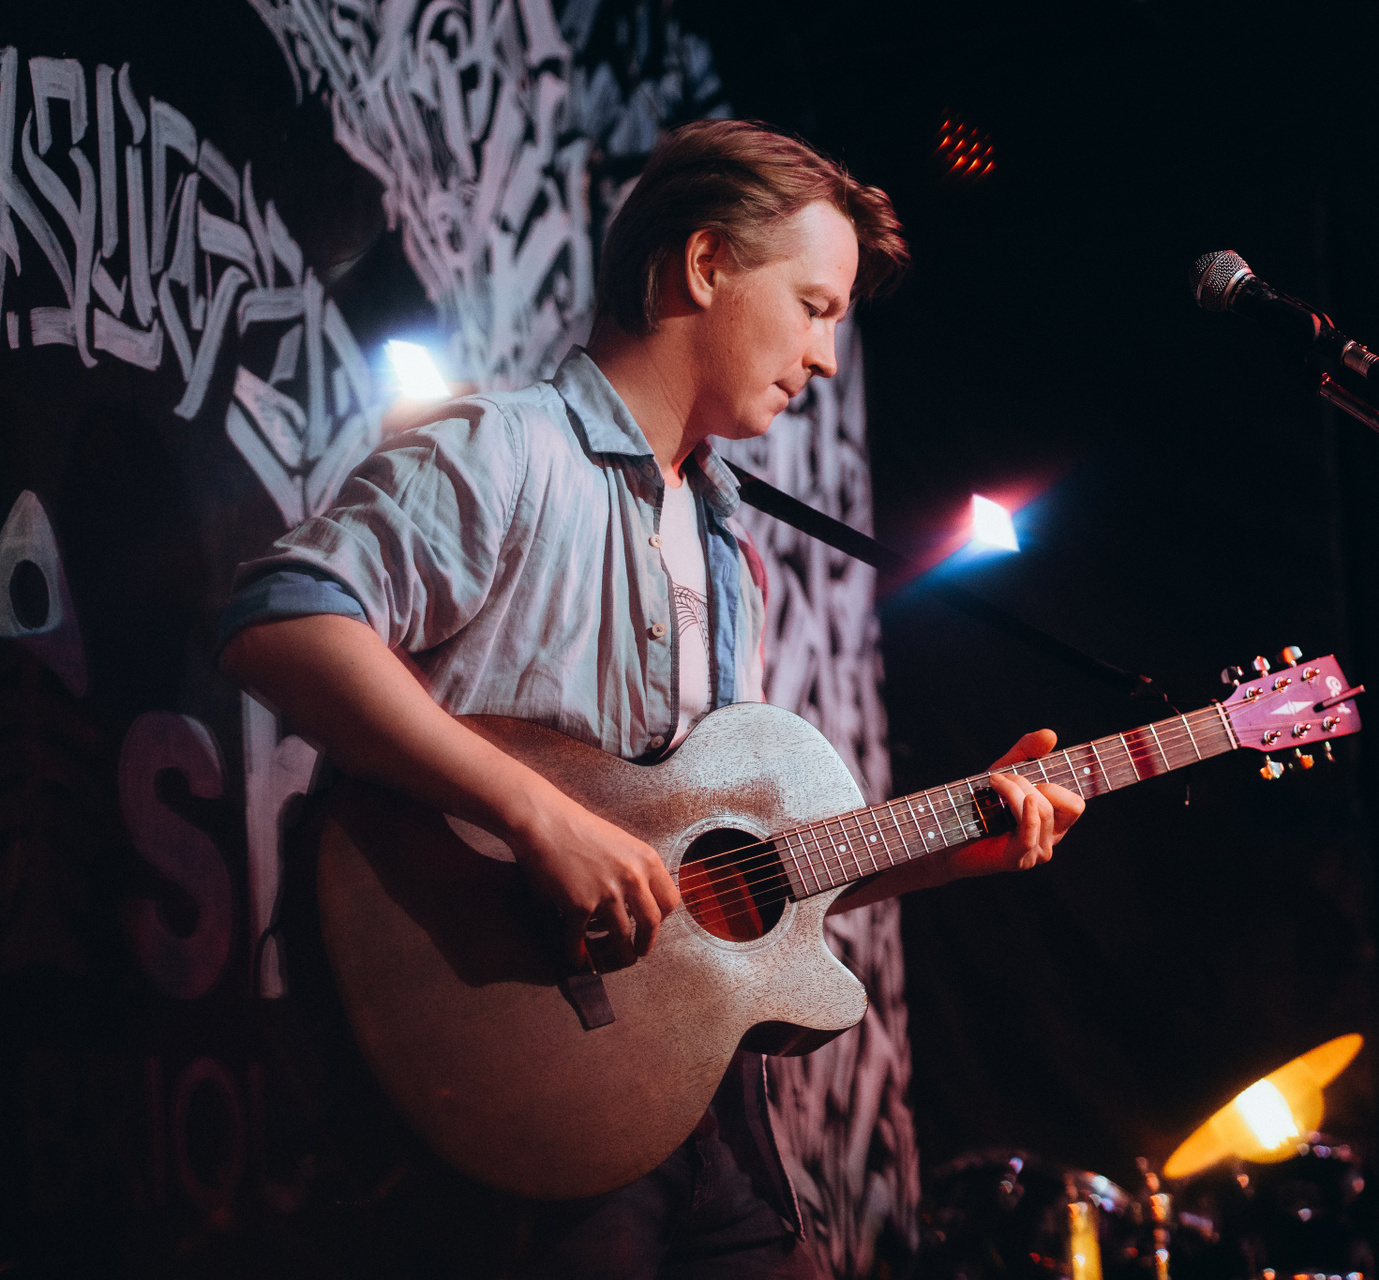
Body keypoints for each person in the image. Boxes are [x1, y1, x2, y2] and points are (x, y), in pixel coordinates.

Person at [218, 119, 1085, 1278]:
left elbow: (735, 880)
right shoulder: (507, 449)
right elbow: (280, 620)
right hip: (522, 1107)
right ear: (705, 263)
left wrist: (955, 843)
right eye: (814, 307)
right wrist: (537, 815)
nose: (828, 358)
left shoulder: (732, 553)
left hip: (704, 1116)